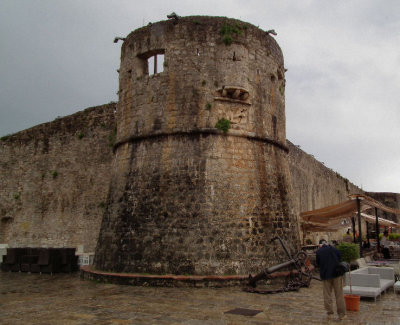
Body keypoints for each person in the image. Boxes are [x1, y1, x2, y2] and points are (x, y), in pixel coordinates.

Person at [316, 240, 346, 321]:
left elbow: (318, 264)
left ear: (320, 245)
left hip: (326, 275)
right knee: (339, 294)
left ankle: (330, 313)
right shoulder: (333, 249)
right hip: (336, 274)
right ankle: (341, 314)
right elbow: (340, 257)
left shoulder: (319, 251)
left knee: (327, 295)